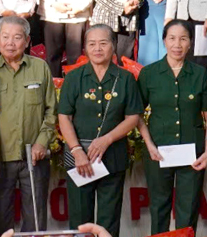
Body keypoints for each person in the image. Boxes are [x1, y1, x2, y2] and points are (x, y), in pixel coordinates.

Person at [57, 24, 144, 237]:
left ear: (113, 46)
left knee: (109, 219)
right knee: (80, 222)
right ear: (85, 48)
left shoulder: (125, 78)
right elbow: (64, 117)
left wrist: (107, 139)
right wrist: (76, 150)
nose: (97, 49)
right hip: (79, 160)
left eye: (103, 43)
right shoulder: (74, 78)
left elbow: (133, 117)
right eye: (92, 44)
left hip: (113, 157)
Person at [137, 21, 207, 234]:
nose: (177, 44)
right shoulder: (149, 73)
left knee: (188, 211)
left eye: (183, 39)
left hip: (193, 153)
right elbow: (136, 114)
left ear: (190, 42)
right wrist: (149, 144)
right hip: (158, 151)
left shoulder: (200, 74)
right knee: (159, 208)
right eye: (172, 38)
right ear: (164, 40)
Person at [0, 16, 56, 237]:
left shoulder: (40, 68)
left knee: (35, 221)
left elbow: (51, 111)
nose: (10, 43)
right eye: (5, 37)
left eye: (17, 37)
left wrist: (42, 142)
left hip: (33, 158)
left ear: (27, 40)